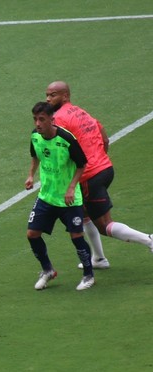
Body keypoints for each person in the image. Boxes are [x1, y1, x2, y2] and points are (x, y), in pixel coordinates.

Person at [45, 81, 153, 267]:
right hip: (104, 168)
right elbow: (103, 136)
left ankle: (149, 239)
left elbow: (59, 152)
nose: (48, 99)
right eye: (47, 95)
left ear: (65, 96)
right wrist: (99, 157)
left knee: (104, 225)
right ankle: (98, 258)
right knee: (84, 212)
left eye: (52, 95)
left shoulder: (59, 119)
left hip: (89, 176)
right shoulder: (81, 112)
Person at [24, 102, 95, 291]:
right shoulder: (35, 136)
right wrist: (31, 175)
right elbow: (35, 156)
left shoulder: (66, 139)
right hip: (47, 196)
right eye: (35, 119)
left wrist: (72, 188)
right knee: (32, 234)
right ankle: (47, 270)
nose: (38, 123)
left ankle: (88, 274)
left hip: (68, 199)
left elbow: (82, 164)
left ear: (51, 120)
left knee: (76, 236)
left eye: (42, 119)